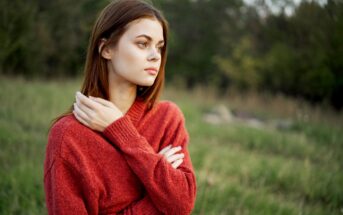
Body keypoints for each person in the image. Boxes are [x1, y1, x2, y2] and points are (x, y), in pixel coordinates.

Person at [43, 0, 197, 214]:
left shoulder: (168, 118)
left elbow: (182, 204)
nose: (155, 56)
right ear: (106, 49)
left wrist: (120, 129)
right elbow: (171, 207)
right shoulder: (68, 135)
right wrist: (157, 193)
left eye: (159, 47)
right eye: (143, 44)